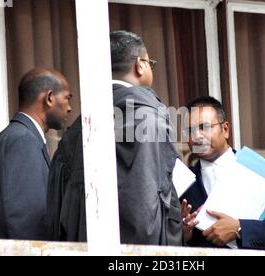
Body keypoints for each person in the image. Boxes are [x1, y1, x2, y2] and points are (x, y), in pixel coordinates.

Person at [47, 30, 183, 245]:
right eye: (150, 63)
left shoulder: (80, 127)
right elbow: (143, 210)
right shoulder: (146, 117)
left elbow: (58, 210)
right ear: (140, 65)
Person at [0, 68, 72, 240]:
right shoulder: (23, 141)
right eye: (67, 98)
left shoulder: (3, 140)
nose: (69, 107)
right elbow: (29, 223)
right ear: (49, 98)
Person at [181, 96, 265, 250]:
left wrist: (241, 229)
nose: (197, 136)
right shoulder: (182, 182)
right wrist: (184, 234)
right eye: (190, 131)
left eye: (204, 127)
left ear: (225, 130)